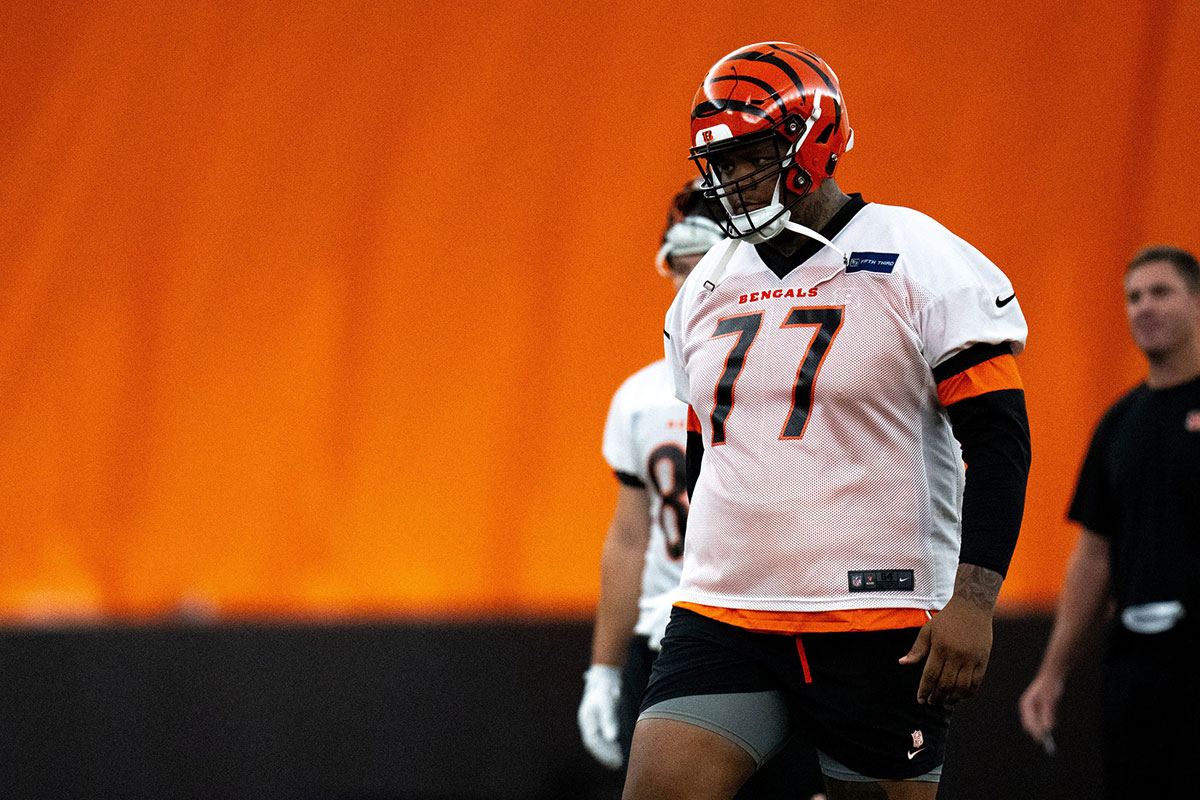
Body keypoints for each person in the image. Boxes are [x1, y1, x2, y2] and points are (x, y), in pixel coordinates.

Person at [623, 42, 1032, 800]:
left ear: (811, 141)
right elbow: (704, 446)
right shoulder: (705, 285)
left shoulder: (919, 257)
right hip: (724, 612)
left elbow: (1000, 443)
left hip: (873, 619)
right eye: (716, 164)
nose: (727, 182)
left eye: (747, 156)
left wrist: (973, 601)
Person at [579, 181, 828, 800]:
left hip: (776, 620)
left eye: (702, 267)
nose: (690, 287)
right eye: (680, 268)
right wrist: (604, 669)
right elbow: (629, 536)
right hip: (670, 634)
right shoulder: (639, 397)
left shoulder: (789, 376)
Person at [1018, 245, 1199, 798]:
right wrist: (1052, 672)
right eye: (1133, 297)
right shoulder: (1119, 423)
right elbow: (1094, 555)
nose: (1144, 306)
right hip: (1137, 664)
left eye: (1161, 292)